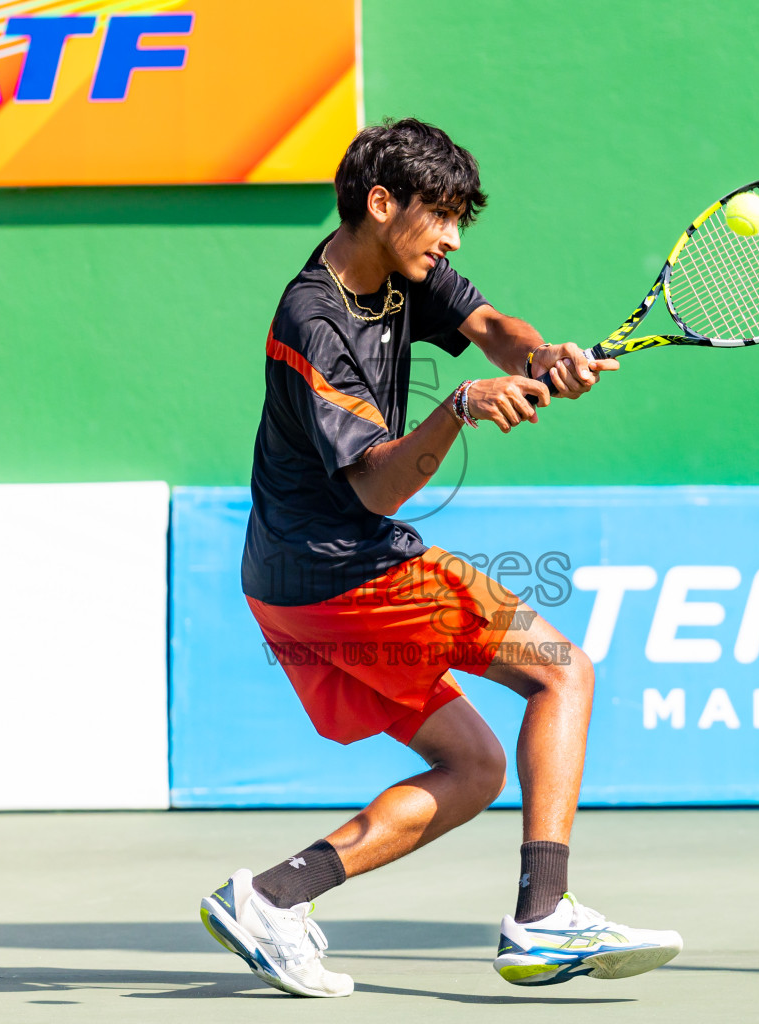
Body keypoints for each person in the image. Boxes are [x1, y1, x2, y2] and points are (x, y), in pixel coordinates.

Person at [199, 118, 682, 997]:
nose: (453, 237)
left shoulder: (395, 264)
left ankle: (271, 899)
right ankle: (543, 919)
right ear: (382, 204)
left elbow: (492, 322)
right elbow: (376, 490)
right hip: (345, 569)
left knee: (476, 767)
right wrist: (460, 406)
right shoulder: (314, 321)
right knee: (563, 672)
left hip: (287, 583)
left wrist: (543, 357)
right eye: (443, 217)